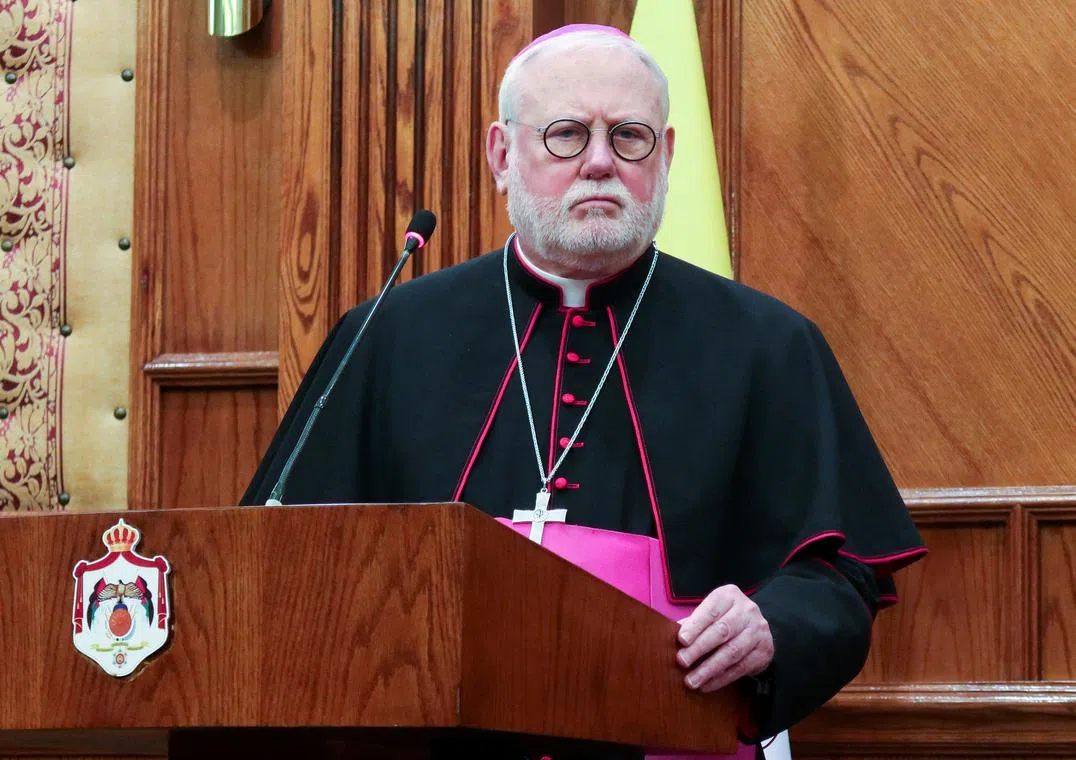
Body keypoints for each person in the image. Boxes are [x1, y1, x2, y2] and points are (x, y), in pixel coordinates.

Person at [242, 23, 926, 760]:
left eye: (629, 137)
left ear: (665, 157)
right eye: (566, 134)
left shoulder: (766, 343)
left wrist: (771, 625)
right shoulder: (389, 332)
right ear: (502, 156)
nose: (600, 162)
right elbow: (285, 560)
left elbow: (842, 575)